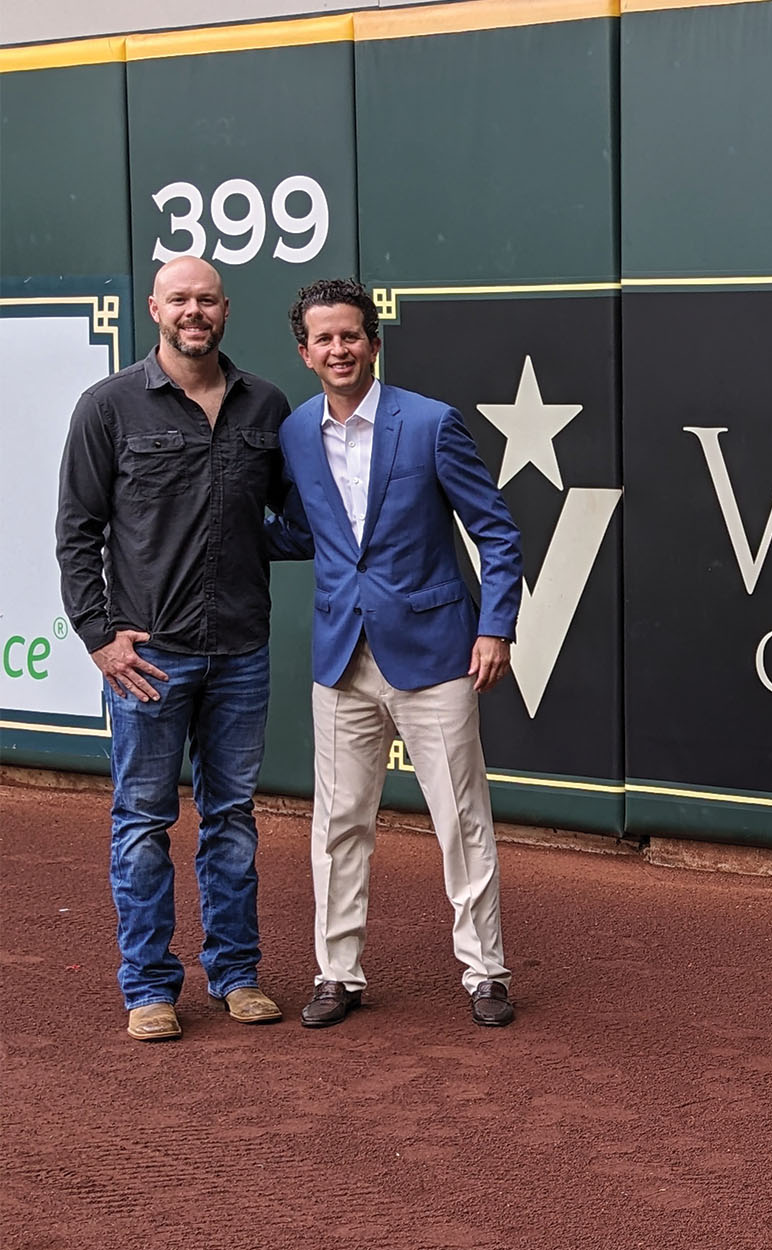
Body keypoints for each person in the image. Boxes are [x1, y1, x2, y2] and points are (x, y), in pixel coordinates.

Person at [276, 277, 523, 1028]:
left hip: (435, 655)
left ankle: (486, 973)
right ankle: (337, 973)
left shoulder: (430, 423)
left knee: (461, 819)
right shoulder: (294, 433)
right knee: (340, 822)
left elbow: (497, 532)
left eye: (351, 335)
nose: (339, 349)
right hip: (341, 657)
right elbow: (301, 533)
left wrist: (495, 626)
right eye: (325, 339)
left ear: (373, 345)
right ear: (305, 353)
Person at [55, 257, 291, 1042]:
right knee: (141, 824)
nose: (195, 311)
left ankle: (236, 975)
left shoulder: (267, 403)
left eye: (208, 300)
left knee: (231, 818)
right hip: (148, 657)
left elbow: (295, 515)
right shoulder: (109, 406)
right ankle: (150, 987)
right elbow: (77, 533)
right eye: (180, 299)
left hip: (241, 650)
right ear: (154, 306)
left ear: (226, 309)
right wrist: (98, 636)